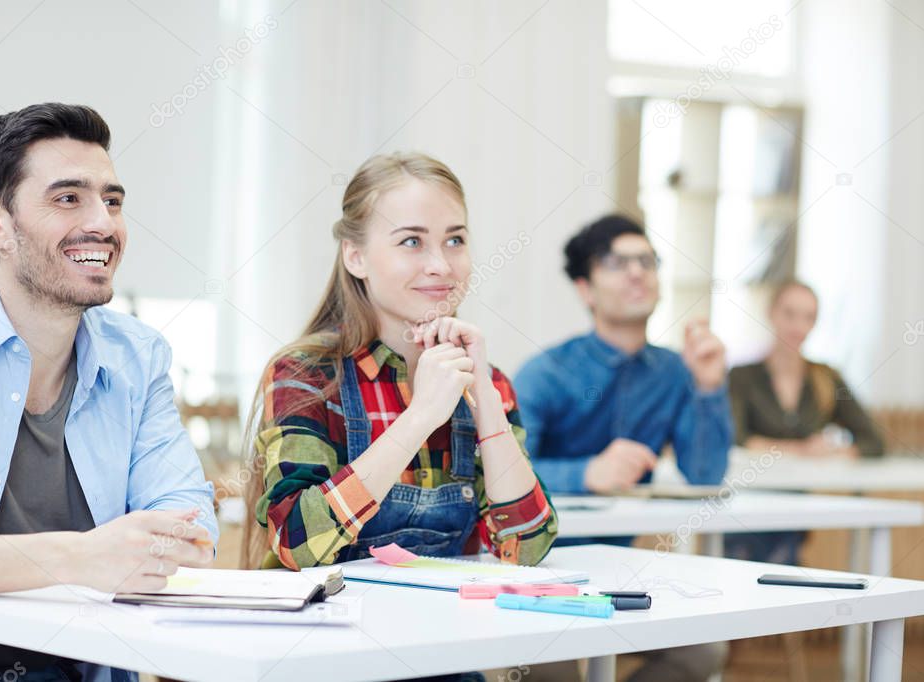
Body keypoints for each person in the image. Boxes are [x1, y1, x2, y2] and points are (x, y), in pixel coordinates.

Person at [0, 103, 216, 682]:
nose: (104, 223)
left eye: (112, 200)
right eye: (68, 198)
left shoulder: (138, 356)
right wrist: (75, 560)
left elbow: (190, 528)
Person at [241, 152, 557, 579]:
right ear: (355, 257)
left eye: (455, 240)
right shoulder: (306, 375)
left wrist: (483, 393)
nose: (441, 265)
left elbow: (527, 549)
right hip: (326, 638)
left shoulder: (488, 382)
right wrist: (421, 415)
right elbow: (297, 542)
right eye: (412, 241)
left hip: (439, 632)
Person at [514, 214, 731, 682]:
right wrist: (586, 473)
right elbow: (499, 478)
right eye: (616, 263)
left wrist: (708, 388)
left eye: (646, 261)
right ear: (585, 289)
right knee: (550, 670)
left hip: (624, 572)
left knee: (702, 654)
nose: (637, 272)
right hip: (542, 572)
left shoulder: (676, 371)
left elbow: (706, 475)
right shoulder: (545, 372)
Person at [725, 280, 884, 564]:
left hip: (796, 515)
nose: (798, 326)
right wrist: (800, 450)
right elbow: (735, 439)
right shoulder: (742, 376)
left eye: (808, 317)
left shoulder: (826, 378)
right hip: (745, 509)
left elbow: (873, 440)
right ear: (772, 313)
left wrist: (834, 453)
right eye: (789, 314)